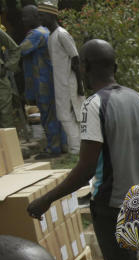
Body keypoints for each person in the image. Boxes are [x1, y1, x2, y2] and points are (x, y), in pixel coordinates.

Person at [27, 39, 139, 260]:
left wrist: (46, 199)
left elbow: (85, 170)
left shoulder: (94, 105)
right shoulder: (137, 98)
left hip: (112, 202)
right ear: (115, 66)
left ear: (84, 67)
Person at [38, 1, 81, 155]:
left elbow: (75, 59)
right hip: (59, 83)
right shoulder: (51, 37)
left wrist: (80, 86)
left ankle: (77, 150)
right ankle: (76, 148)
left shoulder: (62, 34)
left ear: (51, 15)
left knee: (70, 116)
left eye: (42, 16)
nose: (40, 19)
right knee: (65, 116)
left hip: (69, 82)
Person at [19, 4, 61, 157]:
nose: (23, 20)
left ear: (36, 17)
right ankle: (59, 145)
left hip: (43, 81)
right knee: (52, 114)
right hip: (45, 80)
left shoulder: (37, 34)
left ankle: (53, 148)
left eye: (26, 16)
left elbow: (19, 51)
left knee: (47, 114)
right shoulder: (45, 32)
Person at [0, 21, 22, 130]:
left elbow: (15, 48)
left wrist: (7, 66)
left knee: (5, 116)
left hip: (1, 82)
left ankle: (8, 145)